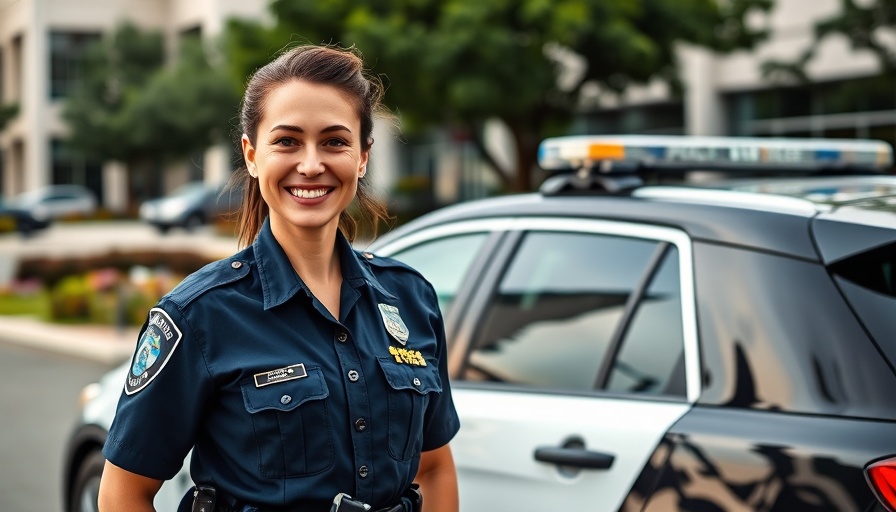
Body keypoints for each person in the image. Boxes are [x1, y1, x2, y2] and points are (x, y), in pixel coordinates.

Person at [98, 44, 460, 512]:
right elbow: (124, 492)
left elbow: (433, 467)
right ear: (251, 155)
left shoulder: (411, 299)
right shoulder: (199, 316)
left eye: (335, 141)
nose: (311, 165)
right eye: (287, 141)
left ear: (363, 156)